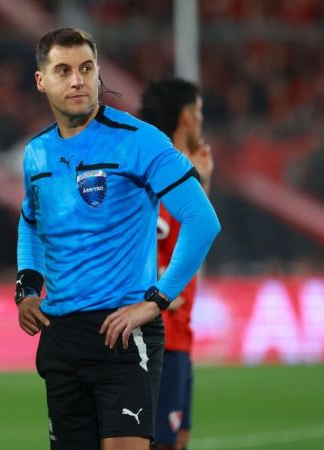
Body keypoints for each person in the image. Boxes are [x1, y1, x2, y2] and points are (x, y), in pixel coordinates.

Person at [15, 28, 220, 450]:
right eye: (63, 70)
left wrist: (157, 299)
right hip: (60, 335)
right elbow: (31, 222)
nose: (77, 80)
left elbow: (202, 220)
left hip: (122, 332)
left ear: (98, 73)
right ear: (41, 80)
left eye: (86, 68)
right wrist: (27, 289)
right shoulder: (36, 152)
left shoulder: (140, 140)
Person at [139, 78, 213, 450]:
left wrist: (204, 183)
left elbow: (191, 237)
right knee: (162, 442)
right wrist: (159, 287)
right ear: (186, 116)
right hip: (161, 332)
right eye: (198, 112)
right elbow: (143, 238)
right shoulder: (157, 172)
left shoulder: (184, 173)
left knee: (178, 438)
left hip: (181, 330)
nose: (201, 120)